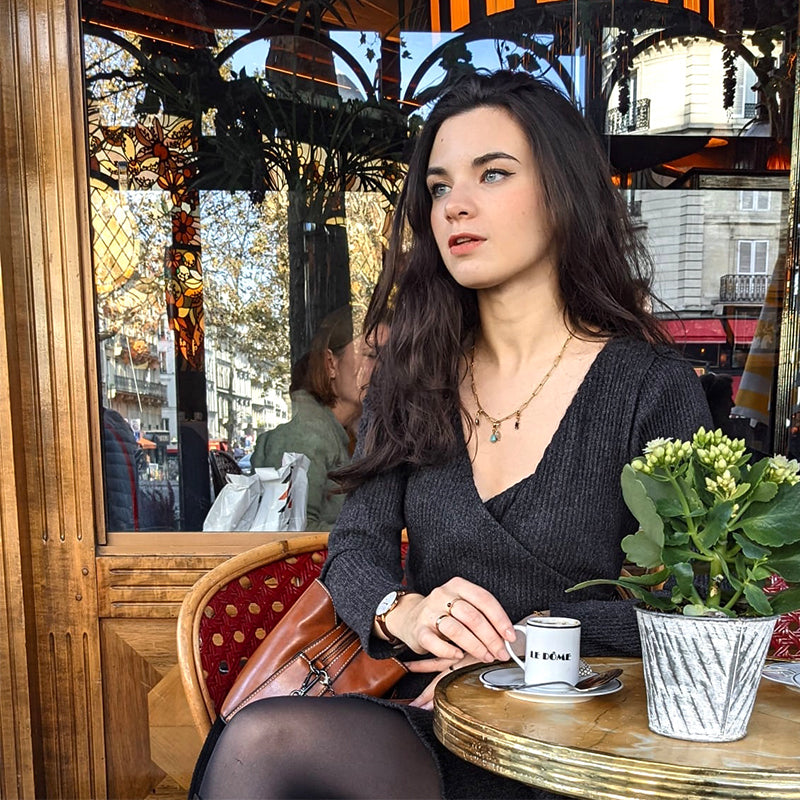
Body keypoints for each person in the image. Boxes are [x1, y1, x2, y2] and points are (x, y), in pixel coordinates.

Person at [192, 71, 712, 799]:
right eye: (438, 188)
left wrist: (528, 640)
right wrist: (402, 610)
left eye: (492, 174)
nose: (456, 205)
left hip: (587, 736)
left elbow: (689, 600)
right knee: (263, 741)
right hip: (436, 725)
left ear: (564, 193)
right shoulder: (415, 375)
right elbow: (357, 548)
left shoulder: (651, 387)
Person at [250, 307, 377, 530]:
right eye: (371, 355)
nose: (384, 368)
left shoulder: (344, 432)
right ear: (331, 364)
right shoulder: (306, 437)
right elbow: (294, 534)